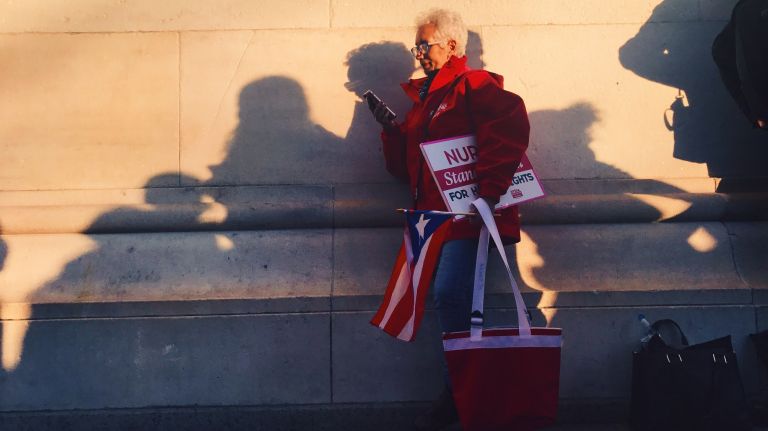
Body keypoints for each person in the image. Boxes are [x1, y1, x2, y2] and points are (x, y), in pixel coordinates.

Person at [368, 8, 530, 431]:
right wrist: (393, 131)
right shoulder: (427, 102)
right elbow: (407, 170)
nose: (419, 53)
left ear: (452, 45)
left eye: (425, 44)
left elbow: (510, 126)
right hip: (437, 220)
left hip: (467, 217)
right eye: (416, 46)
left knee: (450, 297)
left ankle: (460, 395)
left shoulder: (472, 86)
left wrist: (488, 193)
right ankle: (463, 392)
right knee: (453, 301)